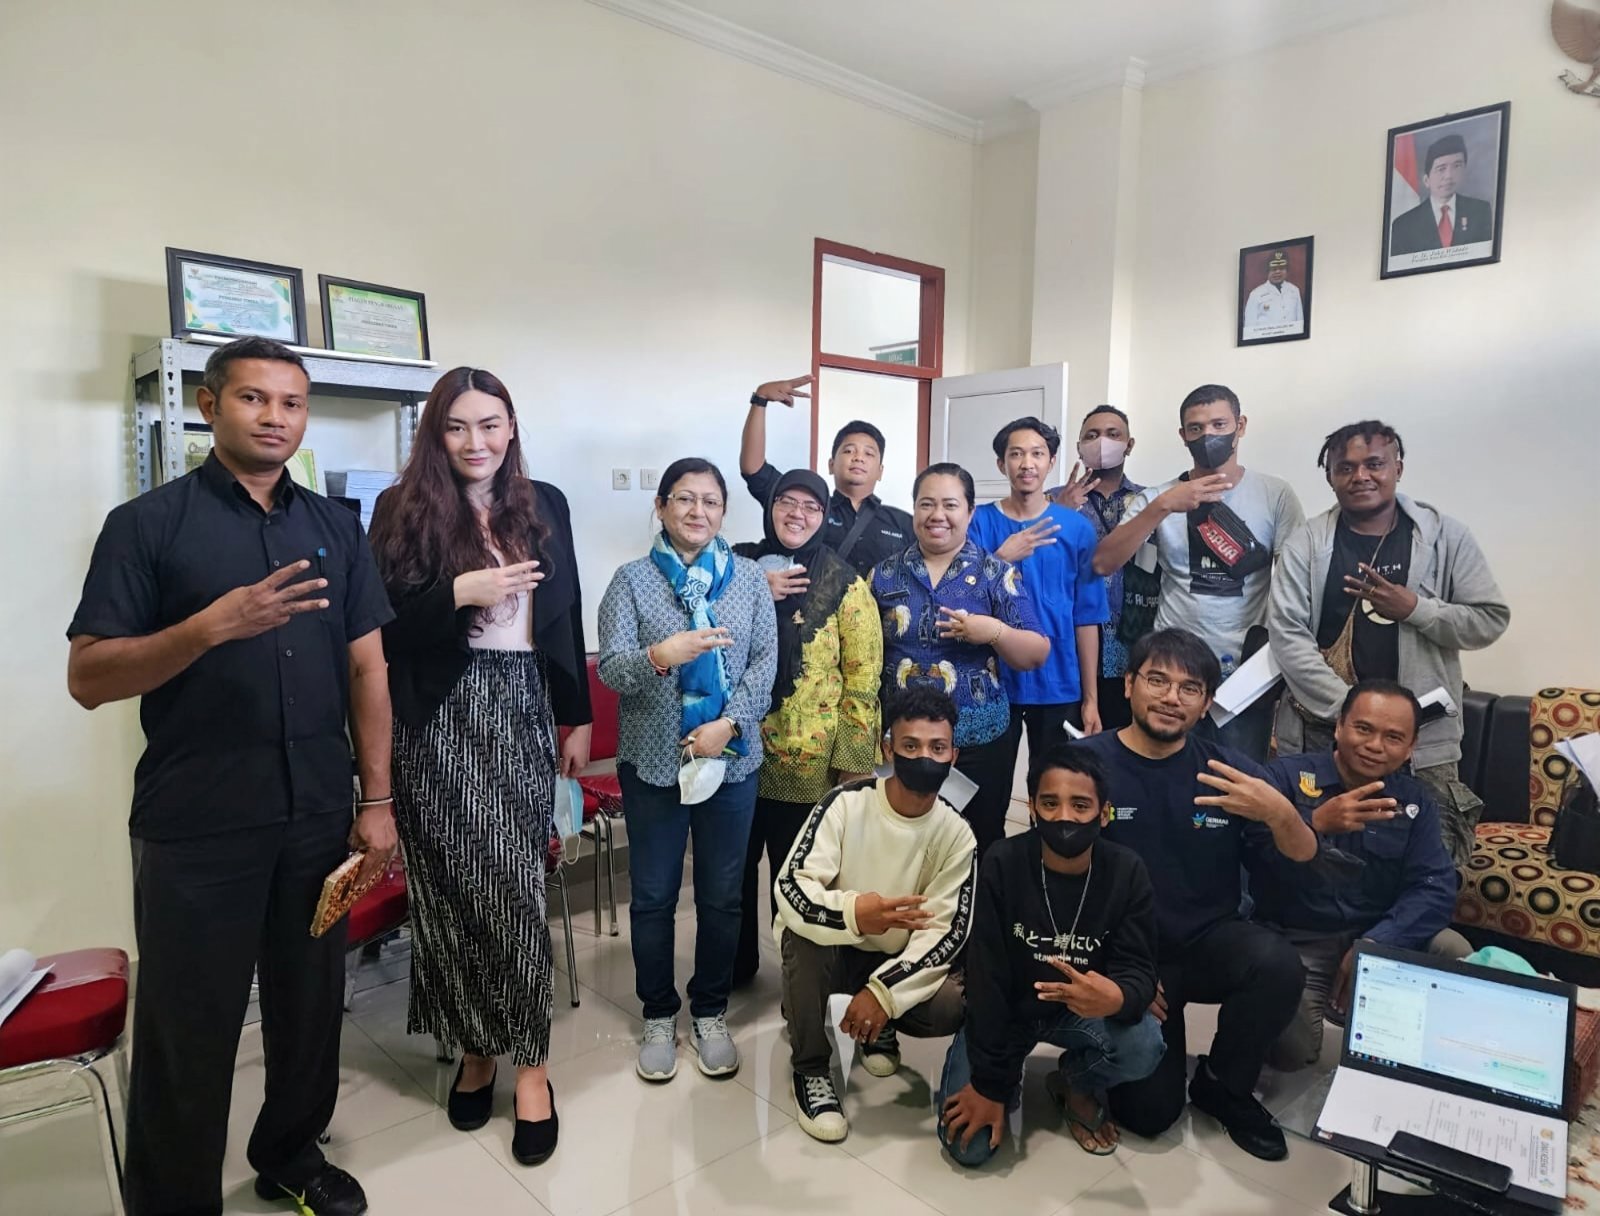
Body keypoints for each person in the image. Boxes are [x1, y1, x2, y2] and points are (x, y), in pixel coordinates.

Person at [66, 337, 396, 1216]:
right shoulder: (147, 525)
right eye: (254, 399)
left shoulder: (335, 527)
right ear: (209, 406)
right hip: (198, 821)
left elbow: (368, 667)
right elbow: (88, 677)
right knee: (190, 1027)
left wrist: (376, 799)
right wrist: (207, 628)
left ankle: (290, 1155)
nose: (275, 418)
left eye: (291, 403)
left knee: (311, 1006)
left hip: (317, 814)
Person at [368, 367, 591, 1166]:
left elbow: (564, 613)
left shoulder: (545, 503)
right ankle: (474, 1050)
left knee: (514, 890)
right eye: (458, 425)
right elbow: (380, 633)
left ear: (511, 427)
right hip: (435, 715)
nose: (476, 441)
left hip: (522, 702)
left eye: (490, 424)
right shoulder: (401, 508)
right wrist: (459, 590)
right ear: (436, 431)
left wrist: (576, 715)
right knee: (449, 894)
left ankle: (531, 1066)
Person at [1077, 628, 1316, 1161]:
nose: (1172, 697)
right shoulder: (1085, 766)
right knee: (1150, 1115)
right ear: (1129, 684)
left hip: (1206, 942)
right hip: (1126, 953)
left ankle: (1224, 1087)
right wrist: (1125, 976)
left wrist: (1280, 811)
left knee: (1277, 963)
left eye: (1190, 688)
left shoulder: (1228, 772)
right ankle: (1094, 1066)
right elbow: (1052, 883)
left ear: (1207, 703)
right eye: (1157, 681)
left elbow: (1302, 856)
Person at [598, 458, 778, 1083]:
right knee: (653, 896)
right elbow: (612, 670)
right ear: (661, 506)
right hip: (654, 761)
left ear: (724, 511)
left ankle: (709, 1011)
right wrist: (659, 655)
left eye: (711, 501)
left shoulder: (748, 579)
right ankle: (657, 1013)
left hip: (730, 758)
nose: (698, 511)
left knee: (723, 895)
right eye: (684, 499)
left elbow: (764, 664)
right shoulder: (630, 581)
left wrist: (729, 725)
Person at [1268, 420, 1509, 866]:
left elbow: (1489, 620)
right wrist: (1353, 717)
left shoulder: (1445, 537)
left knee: (1428, 866)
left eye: (1374, 464)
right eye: (1345, 468)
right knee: (1317, 864)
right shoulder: (1307, 544)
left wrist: (1416, 608)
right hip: (1323, 735)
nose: (1360, 476)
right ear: (1330, 476)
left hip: (1422, 743)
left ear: (1398, 467)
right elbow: (1287, 635)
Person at [937, 744, 1164, 1166]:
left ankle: (1074, 1083)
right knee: (969, 1148)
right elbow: (986, 981)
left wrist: (1119, 996)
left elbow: (1138, 967)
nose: (1065, 817)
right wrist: (991, 1084)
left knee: (1144, 1045)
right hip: (1010, 1012)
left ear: (1104, 813)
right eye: (1049, 803)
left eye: (1081, 805)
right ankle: (1008, 1075)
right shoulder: (1002, 862)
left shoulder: (1126, 870)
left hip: (1082, 1014)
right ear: (1032, 809)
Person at [774, 688, 975, 1142]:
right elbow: (792, 888)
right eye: (910, 746)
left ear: (953, 755)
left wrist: (884, 994)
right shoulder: (845, 802)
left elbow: (946, 934)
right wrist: (854, 915)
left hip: (891, 958)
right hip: (834, 948)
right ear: (888, 749)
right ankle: (810, 1068)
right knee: (803, 939)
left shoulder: (957, 834)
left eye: (937, 748)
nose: (924, 758)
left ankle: (880, 1025)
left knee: (951, 1002)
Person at [1253, 681, 1471, 1073]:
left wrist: (1376, 942)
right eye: (1364, 729)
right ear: (1339, 726)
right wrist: (1312, 826)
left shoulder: (1415, 801)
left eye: (1393, 737)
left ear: (1411, 747)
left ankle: (1411, 1039)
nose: (1374, 746)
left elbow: (1434, 887)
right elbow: (1253, 862)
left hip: (1377, 930)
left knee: (1453, 949)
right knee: (1290, 1054)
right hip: (1299, 938)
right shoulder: (1283, 779)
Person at [1093, 384, 1304, 761]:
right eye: (1196, 428)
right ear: (1183, 435)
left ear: (1240, 426)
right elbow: (1102, 562)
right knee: (1161, 771)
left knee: (1234, 777)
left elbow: (1295, 582)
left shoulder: (1275, 494)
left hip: (1244, 674)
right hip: (1171, 668)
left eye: (1219, 424)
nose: (1208, 435)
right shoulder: (1159, 497)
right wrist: (1162, 507)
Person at [730, 468, 883, 986]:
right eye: (786, 502)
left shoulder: (845, 583)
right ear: (770, 506)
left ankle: (800, 984)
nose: (797, 514)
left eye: (811, 506)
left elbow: (863, 679)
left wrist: (852, 766)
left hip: (807, 764)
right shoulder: (737, 565)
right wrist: (752, 587)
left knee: (797, 878)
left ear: (823, 515)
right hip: (735, 752)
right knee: (730, 874)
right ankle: (733, 969)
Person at [870, 462, 1051, 864]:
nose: (937, 515)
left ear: (970, 512)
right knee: (903, 842)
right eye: (926, 504)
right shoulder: (882, 575)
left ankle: (980, 907)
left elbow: (1037, 651)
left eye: (950, 505)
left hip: (978, 741)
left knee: (979, 841)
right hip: (904, 740)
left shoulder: (995, 573)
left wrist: (994, 632)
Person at [968, 417, 1108, 766]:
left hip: (1059, 682)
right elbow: (960, 598)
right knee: (988, 787)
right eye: (1016, 454)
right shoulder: (977, 522)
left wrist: (1091, 699)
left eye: (1037, 453)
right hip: (992, 681)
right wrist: (1001, 558)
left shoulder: (1076, 528)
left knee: (1055, 783)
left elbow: (1086, 618)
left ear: (1051, 461)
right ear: (1001, 464)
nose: (1027, 463)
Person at [739, 374, 912, 577]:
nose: (858, 458)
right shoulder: (807, 508)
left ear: (881, 471)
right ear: (831, 465)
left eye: (869, 453)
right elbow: (754, 469)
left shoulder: (903, 523)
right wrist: (760, 400)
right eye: (849, 451)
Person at [1058, 406, 1146, 731]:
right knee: (1067, 751)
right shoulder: (1051, 501)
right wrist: (1058, 512)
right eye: (1092, 435)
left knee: (1125, 748)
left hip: (1133, 651)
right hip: (1068, 650)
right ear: (1079, 446)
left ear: (1129, 444)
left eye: (1113, 434)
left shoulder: (1150, 502)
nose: (1102, 442)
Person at [1389, 134, 1495, 256]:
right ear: (1426, 180)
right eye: (1441, 169)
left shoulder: (1481, 211)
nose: (1449, 176)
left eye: (1457, 166)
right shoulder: (1404, 225)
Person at [1241, 251, 1304, 339]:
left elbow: (1300, 322)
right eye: (1273, 269)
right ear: (1267, 271)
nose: (1277, 272)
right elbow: (1249, 328)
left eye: (1281, 268)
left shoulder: (1294, 290)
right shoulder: (1256, 294)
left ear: (1287, 270)